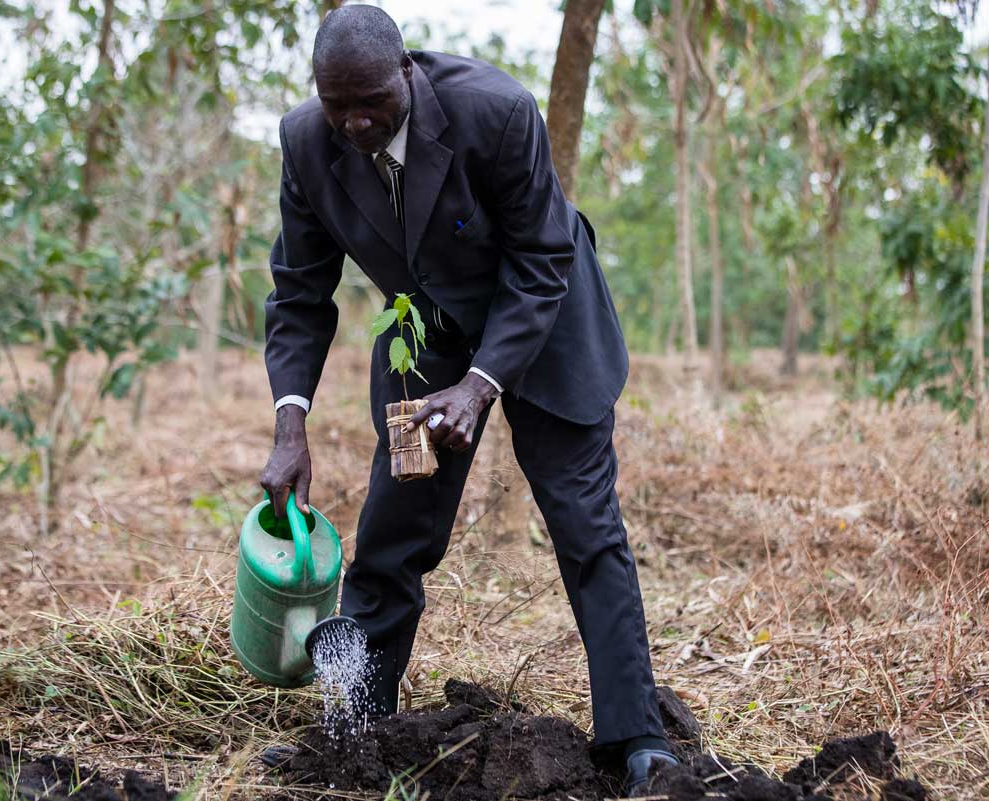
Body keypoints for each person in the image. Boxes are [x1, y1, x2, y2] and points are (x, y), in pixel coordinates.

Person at [258, 5, 678, 793]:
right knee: (392, 530)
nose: (355, 121)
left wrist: (482, 385)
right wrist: (291, 422)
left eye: (373, 102)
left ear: (407, 73)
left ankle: (637, 736)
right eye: (335, 102)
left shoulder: (496, 109)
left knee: (587, 529)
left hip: (546, 321)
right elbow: (299, 292)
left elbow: (543, 253)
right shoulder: (305, 141)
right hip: (425, 337)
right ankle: (353, 730)